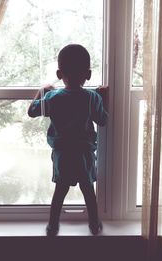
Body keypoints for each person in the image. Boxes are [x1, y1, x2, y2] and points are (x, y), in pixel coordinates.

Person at [28, 44, 108, 236]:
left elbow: (32, 111)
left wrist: (42, 91)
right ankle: (94, 225)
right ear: (87, 75)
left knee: (60, 190)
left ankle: (53, 225)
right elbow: (103, 120)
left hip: (63, 154)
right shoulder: (92, 98)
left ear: (59, 73)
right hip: (84, 154)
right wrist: (104, 98)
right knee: (88, 190)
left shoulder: (53, 98)